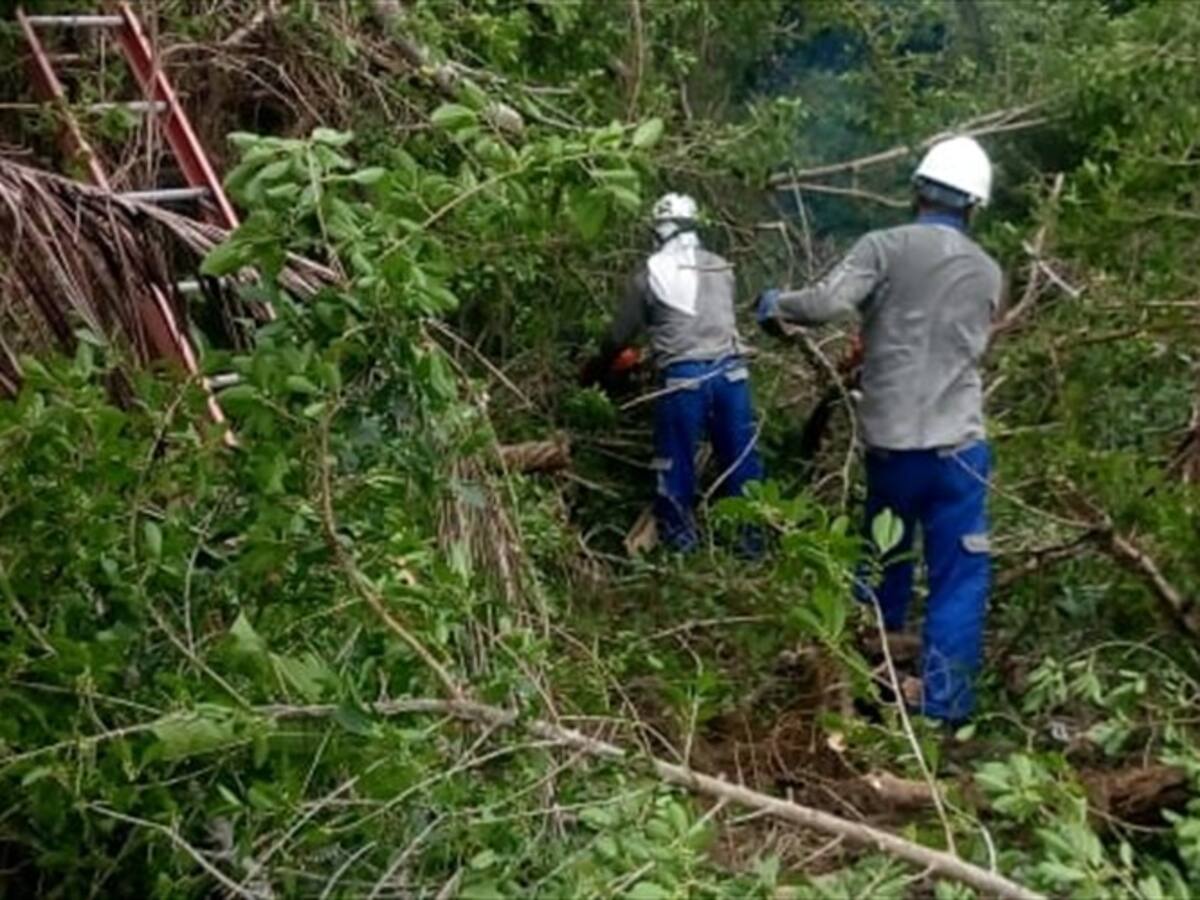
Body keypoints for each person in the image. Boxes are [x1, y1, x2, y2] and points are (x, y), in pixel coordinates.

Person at [756, 136, 1003, 723]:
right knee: (958, 579)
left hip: (893, 450)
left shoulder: (883, 246)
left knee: (883, 561)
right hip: (960, 453)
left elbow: (825, 303)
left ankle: (870, 689)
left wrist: (774, 302)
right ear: (974, 205)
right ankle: (943, 712)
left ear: (918, 190)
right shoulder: (989, 272)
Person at [581, 193, 764, 553]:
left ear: (658, 230)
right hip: (732, 372)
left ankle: (680, 546)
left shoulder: (650, 274)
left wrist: (594, 372)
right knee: (741, 462)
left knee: (674, 463)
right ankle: (752, 544)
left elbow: (618, 337)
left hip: (684, 377)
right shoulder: (721, 268)